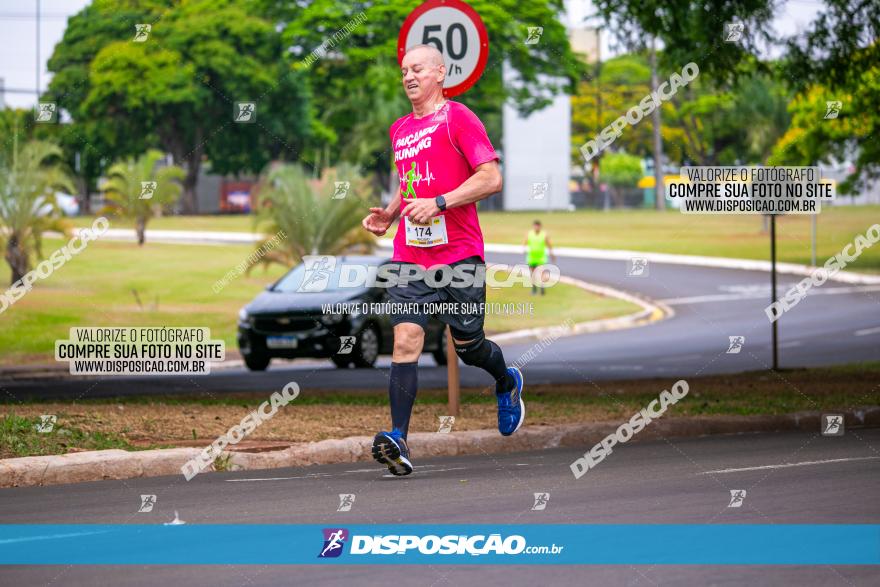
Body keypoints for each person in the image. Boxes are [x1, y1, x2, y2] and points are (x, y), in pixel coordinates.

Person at [361, 45, 524, 476]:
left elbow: (491, 177)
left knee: (468, 347)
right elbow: (411, 181)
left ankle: (507, 382)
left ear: (440, 72)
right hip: (410, 255)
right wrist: (391, 213)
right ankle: (398, 437)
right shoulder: (399, 129)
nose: (408, 76)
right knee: (405, 339)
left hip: (459, 254)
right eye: (403, 71)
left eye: (417, 69)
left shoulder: (459, 118)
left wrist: (441, 203)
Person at [524, 220, 555, 295]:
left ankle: (542, 287)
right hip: (531, 256)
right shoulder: (529, 234)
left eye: (538, 226)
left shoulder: (544, 235)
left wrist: (552, 254)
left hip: (541, 257)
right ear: (533, 226)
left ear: (540, 226)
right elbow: (525, 242)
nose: (536, 227)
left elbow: (549, 244)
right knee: (532, 273)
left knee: (541, 272)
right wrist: (524, 249)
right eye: (535, 226)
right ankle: (534, 289)